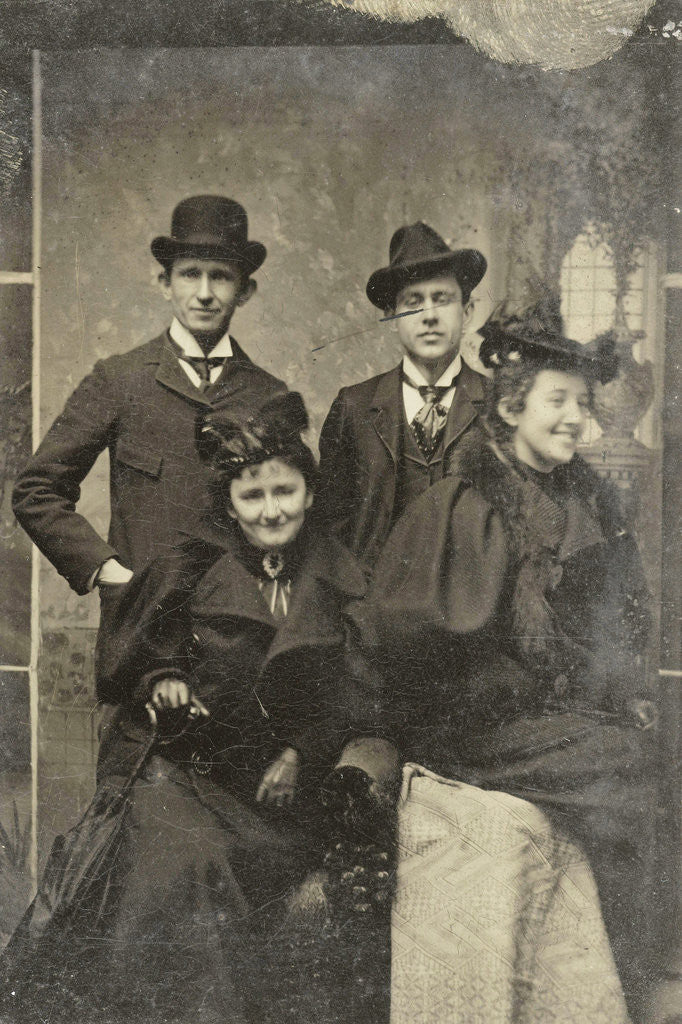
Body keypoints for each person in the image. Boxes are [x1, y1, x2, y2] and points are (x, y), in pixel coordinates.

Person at [3, 392, 398, 1024]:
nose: (271, 511)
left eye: (284, 492)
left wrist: (303, 752)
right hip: (195, 771)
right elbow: (134, 655)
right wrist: (162, 679)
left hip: (289, 791)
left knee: (218, 867)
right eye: (252, 496)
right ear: (230, 502)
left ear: (310, 492)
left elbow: (363, 689)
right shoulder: (190, 563)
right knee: (172, 855)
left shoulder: (341, 574)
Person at [352, 298, 659, 1022]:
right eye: (559, 402)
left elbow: (612, 626)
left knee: (641, 755)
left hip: (543, 719)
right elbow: (421, 645)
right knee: (633, 765)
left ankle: (629, 973)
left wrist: (615, 690)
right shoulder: (463, 502)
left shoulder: (585, 499)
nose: (576, 421)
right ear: (515, 406)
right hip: (473, 730)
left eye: (583, 406)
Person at [12, 194, 286, 602]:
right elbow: (36, 490)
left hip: (239, 633)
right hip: (141, 632)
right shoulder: (118, 380)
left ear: (245, 291)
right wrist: (103, 569)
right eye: (190, 274)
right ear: (164, 284)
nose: (205, 293)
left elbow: (290, 511)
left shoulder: (268, 395)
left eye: (222, 276)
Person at [317, 221, 487, 568]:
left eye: (442, 300)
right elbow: (329, 530)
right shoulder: (354, 407)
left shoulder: (498, 405)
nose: (428, 316)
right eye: (413, 301)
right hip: (373, 611)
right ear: (392, 316)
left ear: (466, 313)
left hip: (470, 613)